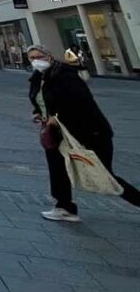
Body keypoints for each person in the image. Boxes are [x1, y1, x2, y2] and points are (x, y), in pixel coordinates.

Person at [27, 44, 140, 222]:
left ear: (49, 56)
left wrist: (57, 118)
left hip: (88, 132)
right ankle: (64, 208)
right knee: (58, 169)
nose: (36, 61)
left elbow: (80, 102)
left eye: (39, 56)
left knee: (105, 175)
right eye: (32, 58)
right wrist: (38, 113)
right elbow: (41, 101)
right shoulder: (38, 78)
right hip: (58, 134)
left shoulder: (65, 74)